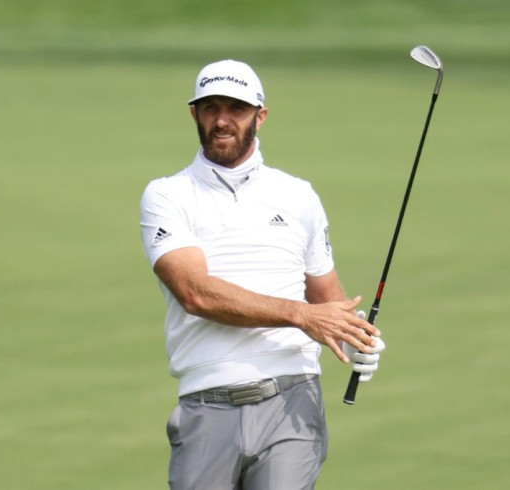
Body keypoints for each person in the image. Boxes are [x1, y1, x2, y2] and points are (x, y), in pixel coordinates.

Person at [139, 59, 386, 490]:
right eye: (210, 107)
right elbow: (196, 293)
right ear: (193, 113)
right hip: (206, 404)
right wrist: (301, 315)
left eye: (236, 108)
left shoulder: (298, 195)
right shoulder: (167, 194)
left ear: (260, 115)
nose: (222, 120)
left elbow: (327, 300)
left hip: (292, 402)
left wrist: (358, 336)